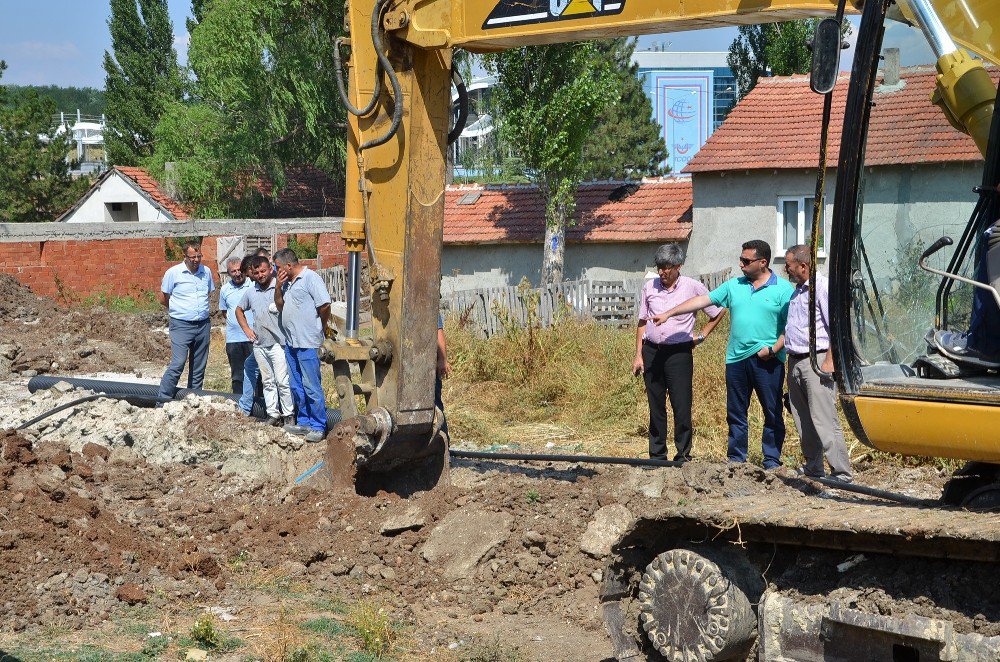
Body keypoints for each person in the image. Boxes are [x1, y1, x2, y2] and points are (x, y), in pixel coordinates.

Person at [654, 240, 794, 469]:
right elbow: (702, 300)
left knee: (772, 411)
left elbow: (792, 325)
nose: (741, 264)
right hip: (737, 359)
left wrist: (774, 349)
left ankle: (771, 460)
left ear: (763, 262)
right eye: (741, 259)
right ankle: (737, 460)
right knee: (736, 412)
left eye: (746, 261)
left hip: (767, 359)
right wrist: (670, 312)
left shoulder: (783, 289)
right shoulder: (734, 286)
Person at [633, 244, 725, 462]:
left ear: (678, 266)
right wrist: (638, 355)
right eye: (659, 267)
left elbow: (717, 312)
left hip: (679, 353)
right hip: (652, 351)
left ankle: (683, 454)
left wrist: (701, 336)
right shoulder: (650, 287)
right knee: (655, 405)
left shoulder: (693, 287)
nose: (663, 272)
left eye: (667, 267)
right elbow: (642, 322)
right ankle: (657, 455)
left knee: (681, 404)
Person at [783, 245, 853, 482]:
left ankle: (841, 472)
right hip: (795, 361)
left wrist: (830, 361)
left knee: (824, 418)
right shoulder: (798, 292)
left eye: (789, 265)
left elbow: (836, 325)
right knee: (803, 419)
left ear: (803, 266)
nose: (786, 269)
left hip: (816, 360)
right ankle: (814, 468)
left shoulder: (822, 288)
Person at [274, 248, 332, 443]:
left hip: (308, 342)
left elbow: (324, 305)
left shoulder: (310, 278)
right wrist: (277, 286)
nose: (277, 271)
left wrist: (320, 327)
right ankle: (304, 421)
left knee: (311, 386)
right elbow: (280, 306)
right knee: (296, 385)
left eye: (278, 268)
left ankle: (318, 425)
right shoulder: (286, 284)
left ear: (288, 266)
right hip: (291, 342)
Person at [236, 255, 294, 426]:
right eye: (256, 272)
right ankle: (273, 414)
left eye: (263, 271)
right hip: (260, 344)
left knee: (282, 381)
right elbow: (238, 310)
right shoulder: (251, 292)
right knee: (267, 381)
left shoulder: (280, 286)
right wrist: (247, 330)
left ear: (270, 269)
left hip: (278, 343)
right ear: (252, 274)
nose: (260, 275)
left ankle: (289, 415)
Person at [157, 240, 215, 400]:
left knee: (198, 367)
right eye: (192, 257)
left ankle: (193, 399)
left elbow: (209, 293)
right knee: (178, 364)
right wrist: (179, 310)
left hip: (202, 325)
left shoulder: (206, 272)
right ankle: (162, 400)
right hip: (181, 325)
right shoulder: (173, 273)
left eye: (199, 256)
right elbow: (163, 298)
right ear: (185, 256)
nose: (196, 260)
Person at [218, 257, 254, 395]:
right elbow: (224, 312)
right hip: (234, 339)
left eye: (239, 270)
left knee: (257, 373)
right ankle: (239, 402)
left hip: (252, 337)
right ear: (228, 273)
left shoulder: (252, 284)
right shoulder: (225, 290)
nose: (238, 273)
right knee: (237, 375)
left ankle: (258, 406)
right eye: (233, 271)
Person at [435, 315, 451, 439]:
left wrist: (442, 359)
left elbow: (438, 330)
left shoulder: (428, 303)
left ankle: (443, 448)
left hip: (429, 364)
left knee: (435, 406)